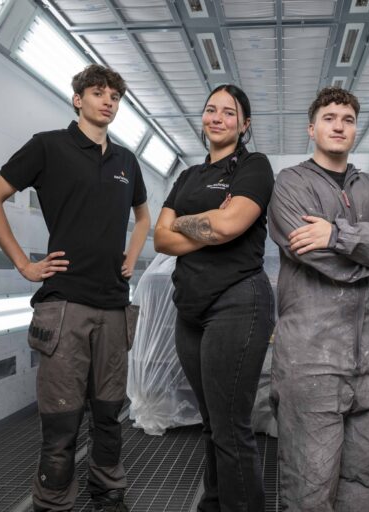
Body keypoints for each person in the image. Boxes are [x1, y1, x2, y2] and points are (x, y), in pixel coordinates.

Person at [0, 64, 150, 512]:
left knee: (109, 415)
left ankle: (109, 495)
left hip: (114, 305)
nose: (108, 101)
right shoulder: (48, 146)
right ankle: (53, 503)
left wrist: (132, 257)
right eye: (98, 93)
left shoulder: (126, 161)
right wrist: (24, 264)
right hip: (65, 304)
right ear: (78, 99)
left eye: (114, 96)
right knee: (62, 419)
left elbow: (144, 216)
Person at [267, 87, 369, 511]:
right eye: (329, 118)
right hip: (311, 356)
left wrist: (336, 234)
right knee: (309, 483)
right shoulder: (290, 184)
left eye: (347, 119)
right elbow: (317, 258)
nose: (338, 126)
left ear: (355, 130)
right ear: (311, 129)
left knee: (367, 473)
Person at [154, 84, 275, 512]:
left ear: (245, 124)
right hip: (190, 309)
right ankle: (214, 504)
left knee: (230, 427)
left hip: (237, 302)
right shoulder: (188, 176)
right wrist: (210, 222)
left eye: (228, 112)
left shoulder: (254, 166)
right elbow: (160, 239)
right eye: (211, 109)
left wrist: (188, 223)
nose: (217, 118)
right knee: (211, 424)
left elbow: (229, 226)